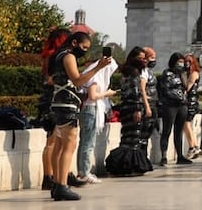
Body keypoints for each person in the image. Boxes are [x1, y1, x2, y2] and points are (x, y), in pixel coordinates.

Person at [46, 31, 114, 200]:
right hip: (68, 103)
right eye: (84, 47)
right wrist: (98, 67)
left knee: (60, 146)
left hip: (58, 101)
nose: (84, 51)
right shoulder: (68, 57)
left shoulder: (56, 56)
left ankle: (56, 183)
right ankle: (62, 185)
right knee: (68, 146)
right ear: (74, 43)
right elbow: (77, 81)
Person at [105, 47, 156, 177]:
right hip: (132, 108)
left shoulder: (128, 71)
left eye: (145, 58)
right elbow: (134, 93)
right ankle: (126, 165)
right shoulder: (133, 73)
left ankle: (126, 165)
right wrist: (138, 109)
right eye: (141, 58)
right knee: (132, 140)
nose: (144, 61)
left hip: (126, 107)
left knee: (128, 138)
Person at [38, 28, 71, 191]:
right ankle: (49, 176)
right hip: (53, 99)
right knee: (53, 141)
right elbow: (51, 80)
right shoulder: (57, 57)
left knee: (52, 141)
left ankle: (51, 175)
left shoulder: (48, 55)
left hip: (48, 99)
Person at [76, 56, 117, 183]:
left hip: (91, 110)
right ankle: (84, 172)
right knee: (88, 143)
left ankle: (83, 171)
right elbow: (93, 95)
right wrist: (107, 93)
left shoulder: (94, 76)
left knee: (86, 142)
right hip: (91, 110)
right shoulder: (95, 77)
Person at [157, 52, 192, 166]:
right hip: (170, 105)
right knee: (167, 130)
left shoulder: (182, 74)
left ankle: (180, 156)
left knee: (179, 131)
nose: (181, 64)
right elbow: (165, 89)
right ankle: (164, 156)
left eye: (182, 62)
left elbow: (186, 88)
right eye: (179, 62)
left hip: (182, 105)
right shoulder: (167, 73)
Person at [181, 54, 202, 159]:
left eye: (189, 61)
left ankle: (192, 147)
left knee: (186, 124)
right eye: (185, 61)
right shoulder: (188, 73)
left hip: (191, 101)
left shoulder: (194, 74)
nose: (186, 63)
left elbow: (188, 87)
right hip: (190, 100)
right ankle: (194, 146)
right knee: (187, 125)